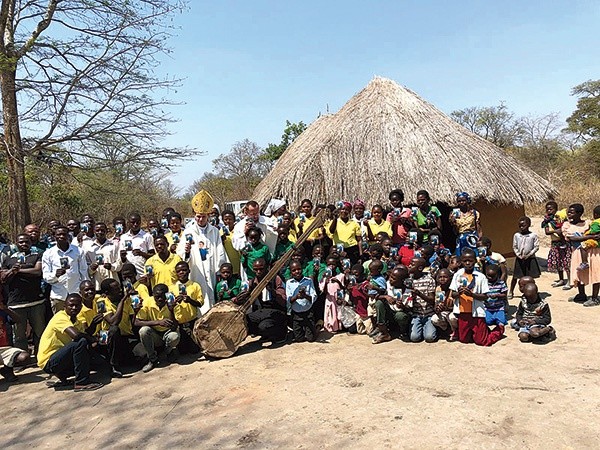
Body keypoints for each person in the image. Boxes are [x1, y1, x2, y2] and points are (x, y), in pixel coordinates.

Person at [37, 293, 103, 391]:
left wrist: (93, 325)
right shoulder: (60, 316)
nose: (74, 308)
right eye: (71, 305)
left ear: (81, 306)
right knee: (80, 342)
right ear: (64, 306)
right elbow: (77, 335)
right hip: (49, 361)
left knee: (91, 354)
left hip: (61, 359)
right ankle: (81, 383)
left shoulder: (77, 321)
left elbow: (85, 334)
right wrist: (91, 339)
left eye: (77, 305)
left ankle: (63, 376)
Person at [179, 190, 229, 314]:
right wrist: (186, 252)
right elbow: (182, 255)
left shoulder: (214, 231)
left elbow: (220, 251)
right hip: (197, 271)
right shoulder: (188, 232)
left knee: (212, 300)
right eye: (198, 216)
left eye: (203, 216)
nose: (200, 219)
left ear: (208, 216)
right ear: (194, 215)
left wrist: (219, 270)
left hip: (211, 269)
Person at [449, 249, 504, 346]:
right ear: (461, 261)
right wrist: (459, 293)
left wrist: (472, 295)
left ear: (475, 261)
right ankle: (481, 331)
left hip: (476, 312)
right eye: (465, 261)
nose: (467, 263)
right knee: (464, 340)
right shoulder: (457, 275)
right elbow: (453, 294)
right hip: (463, 312)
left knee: (482, 342)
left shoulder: (481, 276)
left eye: (470, 261)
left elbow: (485, 296)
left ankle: (498, 330)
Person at [1, 233, 45, 351]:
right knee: (19, 335)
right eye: (21, 242)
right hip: (16, 303)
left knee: (39, 332)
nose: (24, 244)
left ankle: (40, 356)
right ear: (16, 243)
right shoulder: (9, 259)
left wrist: (18, 271)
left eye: (27, 242)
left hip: (36, 301)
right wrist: (12, 271)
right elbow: (3, 279)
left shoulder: (37, 256)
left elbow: (37, 272)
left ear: (31, 243)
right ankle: (23, 358)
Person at [233, 258, 287, 344]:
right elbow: (243, 297)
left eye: (261, 269)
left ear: (267, 268)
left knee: (264, 326)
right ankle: (266, 334)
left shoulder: (275, 279)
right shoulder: (253, 282)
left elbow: (283, 301)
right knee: (245, 321)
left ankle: (280, 333)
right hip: (262, 311)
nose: (258, 272)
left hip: (276, 311)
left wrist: (272, 291)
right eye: (256, 269)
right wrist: (238, 299)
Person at [96, 278, 138, 377]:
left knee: (142, 356)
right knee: (114, 330)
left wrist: (136, 311)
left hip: (126, 336)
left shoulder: (127, 299)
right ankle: (113, 366)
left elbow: (133, 321)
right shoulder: (101, 302)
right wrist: (122, 301)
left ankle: (124, 359)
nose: (120, 290)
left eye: (120, 287)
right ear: (107, 292)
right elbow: (113, 322)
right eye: (116, 289)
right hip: (109, 338)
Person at [42, 226, 89, 313]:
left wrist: (84, 291)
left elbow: (84, 272)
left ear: (68, 236)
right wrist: (55, 275)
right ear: (54, 236)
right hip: (58, 296)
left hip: (76, 292)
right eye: (58, 234)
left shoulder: (78, 251)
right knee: (61, 322)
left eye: (64, 234)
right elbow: (46, 277)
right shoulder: (48, 254)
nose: (61, 236)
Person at [134, 284, 180, 373]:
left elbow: (174, 327)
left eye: (163, 296)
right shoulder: (147, 302)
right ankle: (152, 360)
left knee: (174, 337)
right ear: (153, 295)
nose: (160, 299)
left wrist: (171, 310)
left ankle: (168, 351)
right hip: (155, 333)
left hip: (168, 332)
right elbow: (137, 322)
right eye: (157, 297)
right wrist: (158, 322)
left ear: (167, 294)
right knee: (144, 330)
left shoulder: (173, 303)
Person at [562, 203, 600, 306]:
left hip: (593, 251)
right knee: (579, 273)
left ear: (579, 213)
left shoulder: (588, 223)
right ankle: (581, 294)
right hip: (577, 252)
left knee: (595, 273)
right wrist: (589, 237)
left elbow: (596, 233)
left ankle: (595, 297)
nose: (568, 214)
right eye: (568, 212)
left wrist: (594, 236)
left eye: (571, 212)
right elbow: (571, 238)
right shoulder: (567, 225)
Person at [169, 261, 203, 354]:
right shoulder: (171, 288)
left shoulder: (194, 285)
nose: (181, 272)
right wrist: (175, 303)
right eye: (179, 271)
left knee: (195, 350)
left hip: (192, 322)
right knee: (183, 351)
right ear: (176, 273)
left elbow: (200, 304)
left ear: (189, 271)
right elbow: (169, 306)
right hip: (179, 324)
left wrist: (190, 300)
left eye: (184, 270)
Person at [374, 265, 411, 342]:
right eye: (390, 277)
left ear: (402, 281)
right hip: (389, 313)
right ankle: (384, 332)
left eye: (394, 279)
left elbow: (410, 309)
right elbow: (376, 296)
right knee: (379, 303)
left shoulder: (408, 291)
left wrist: (402, 306)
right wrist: (386, 296)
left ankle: (403, 332)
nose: (391, 280)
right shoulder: (387, 285)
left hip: (400, 315)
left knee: (400, 315)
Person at [286, 261, 318, 342]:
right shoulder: (289, 283)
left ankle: (316, 327)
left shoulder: (308, 281)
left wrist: (305, 296)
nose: (297, 271)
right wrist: (297, 297)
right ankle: (302, 331)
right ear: (291, 272)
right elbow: (289, 300)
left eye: (299, 269)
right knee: (299, 339)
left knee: (311, 338)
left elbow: (314, 297)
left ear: (302, 269)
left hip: (308, 312)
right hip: (296, 314)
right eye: (294, 270)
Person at [509, 216, 540, 299]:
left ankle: (531, 292)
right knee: (516, 276)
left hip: (530, 259)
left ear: (529, 225)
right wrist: (519, 255)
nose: (521, 228)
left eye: (524, 225)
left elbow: (536, 247)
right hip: (519, 259)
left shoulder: (533, 235)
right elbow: (514, 246)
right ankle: (511, 291)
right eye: (520, 226)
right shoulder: (517, 235)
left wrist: (529, 254)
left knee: (530, 277)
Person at [407, 257, 437, 343]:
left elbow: (432, 300)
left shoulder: (429, 280)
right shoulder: (409, 280)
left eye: (412, 264)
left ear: (420, 268)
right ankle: (420, 328)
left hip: (429, 314)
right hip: (416, 314)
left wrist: (419, 294)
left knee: (429, 338)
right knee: (414, 338)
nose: (409, 266)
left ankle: (429, 328)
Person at [0, 301, 32, 382]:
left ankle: (7, 370)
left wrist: (5, 309)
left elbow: (18, 320)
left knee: (24, 357)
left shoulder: (2, 312)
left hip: (5, 349)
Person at [542, 201, 570, 288]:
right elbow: (547, 232)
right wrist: (555, 231)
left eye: (551, 209)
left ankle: (569, 280)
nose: (549, 211)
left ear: (556, 209)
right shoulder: (547, 221)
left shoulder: (560, 218)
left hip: (564, 242)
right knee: (558, 262)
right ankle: (561, 279)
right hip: (555, 243)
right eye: (547, 209)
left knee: (566, 262)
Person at [118, 212, 155, 277]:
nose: (135, 224)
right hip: (129, 273)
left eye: (137, 222)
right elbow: (122, 259)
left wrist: (141, 253)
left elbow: (153, 256)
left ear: (140, 222)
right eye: (133, 222)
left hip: (142, 272)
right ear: (128, 223)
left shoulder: (147, 236)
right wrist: (122, 256)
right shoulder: (124, 237)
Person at [88, 222, 122, 291]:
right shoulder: (90, 249)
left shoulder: (114, 245)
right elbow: (86, 268)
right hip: (97, 284)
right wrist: (91, 268)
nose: (100, 232)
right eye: (97, 230)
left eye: (102, 230)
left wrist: (111, 267)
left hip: (112, 282)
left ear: (106, 231)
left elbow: (119, 264)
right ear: (94, 231)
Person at [449, 192, 481, 256]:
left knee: (475, 256)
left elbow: (478, 228)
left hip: (473, 238)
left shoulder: (474, 213)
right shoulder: (454, 214)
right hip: (461, 239)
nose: (461, 202)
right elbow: (455, 232)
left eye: (463, 200)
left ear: (467, 200)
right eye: (459, 201)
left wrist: (479, 239)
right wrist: (453, 223)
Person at [320, 255, 345, 333]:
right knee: (330, 313)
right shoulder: (324, 278)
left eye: (333, 264)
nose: (331, 266)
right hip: (329, 298)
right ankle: (331, 327)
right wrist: (326, 281)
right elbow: (323, 292)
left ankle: (340, 327)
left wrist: (338, 281)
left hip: (338, 298)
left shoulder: (341, 276)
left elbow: (344, 288)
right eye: (329, 264)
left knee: (339, 312)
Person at [431, 268, 458, 340]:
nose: (442, 279)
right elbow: (435, 304)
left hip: (453, 312)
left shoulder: (454, 289)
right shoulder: (438, 288)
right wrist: (437, 309)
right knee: (434, 319)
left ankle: (456, 330)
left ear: (450, 278)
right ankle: (446, 330)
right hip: (443, 312)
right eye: (440, 277)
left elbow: (457, 307)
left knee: (452, 318)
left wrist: (447, 308)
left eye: (445, 277)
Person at [578, 205, 600, 271]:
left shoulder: (596, 222)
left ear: (596, 214)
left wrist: (587, 233)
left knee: (583, 247)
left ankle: (585, 263)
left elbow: (594, 231)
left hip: (595, 241)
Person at [220, 210, 241, 275]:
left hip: (238, 262)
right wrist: (222, 240)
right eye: (225, 219)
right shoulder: (219, 232)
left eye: (230, 219)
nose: (228, 221)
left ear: (234, 220)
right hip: (226, 263)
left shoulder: (238, 231)